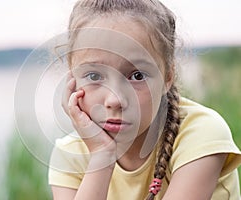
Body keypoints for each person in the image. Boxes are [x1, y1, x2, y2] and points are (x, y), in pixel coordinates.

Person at [48, 0, 241, 199]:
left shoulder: (201, 133)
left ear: (168, 77)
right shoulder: (69, 154)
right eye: (94, 76)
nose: (114, 100)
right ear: (72, 80)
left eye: (137, 75)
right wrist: (102, 156)